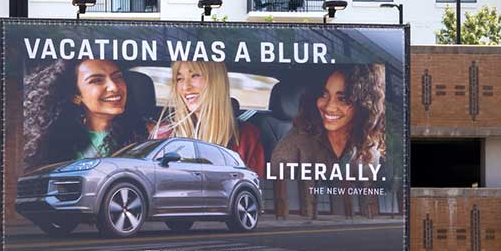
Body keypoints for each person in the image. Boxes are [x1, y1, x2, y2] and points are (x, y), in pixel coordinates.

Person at [270, 65, 386, 219]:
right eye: (323, 94)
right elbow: (278, 183)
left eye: (343, 99)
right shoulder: (295, 142)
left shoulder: (371, 144)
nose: (329, 106)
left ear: (363, 104)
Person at [23, 58, 151, 167]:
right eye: (96, 80)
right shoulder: (55, 141)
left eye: (117, 77)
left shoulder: (150, 133)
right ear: (76, 96)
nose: (114, 87)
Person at [152, 61, 265, 173]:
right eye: (179, 78)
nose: (186, 87)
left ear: (217, 81)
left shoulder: (247, 138)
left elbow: (254, 187)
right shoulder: (164, 136)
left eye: (195, 75)